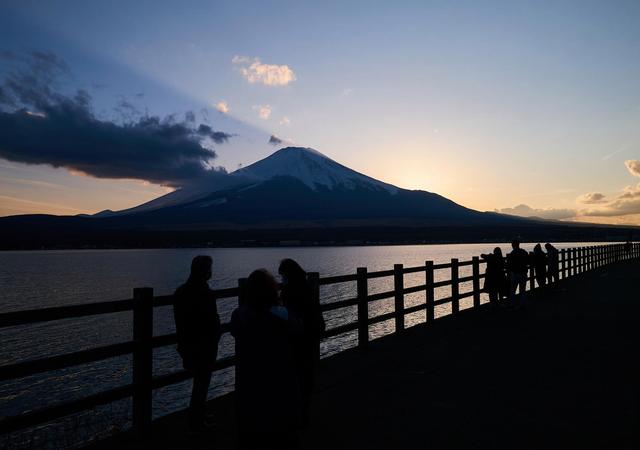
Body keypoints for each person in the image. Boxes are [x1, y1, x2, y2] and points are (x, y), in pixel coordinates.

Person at [231, 269, 302, 449]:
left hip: (248, 378)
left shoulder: (239, 314)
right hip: (278, 377)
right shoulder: (283, 314)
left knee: (250, 427)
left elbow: (235, 332)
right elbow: (297, 330)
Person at [173, 255, 221, 432]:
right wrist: (215, 338)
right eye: (209, 268)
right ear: (205, 271)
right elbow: (212, 322)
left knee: (199, 382)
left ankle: (198, 415)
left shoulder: (180, 292)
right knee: (202, 384)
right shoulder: (206, 293)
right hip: (204, 347)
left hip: (187, 346)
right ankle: (196, 421)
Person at [278, 258, 326, 426]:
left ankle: (295, 411)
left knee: (296, 373)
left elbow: (288, 314)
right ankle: (304, 410)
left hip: (297, 337)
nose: (281, 278)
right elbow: (316, 310)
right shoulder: (307, 287)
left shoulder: (288, 290)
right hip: (311, 334)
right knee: (307, 372)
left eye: (282, 275)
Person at [506, 239, 529, 307]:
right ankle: (522, 304)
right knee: (522, 290)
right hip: (523, 273)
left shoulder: (512, 253)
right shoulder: (524, 252)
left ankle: (513, 304)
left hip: (515, 273)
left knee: (513, 290)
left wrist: (508, 273)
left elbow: (509, 264)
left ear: (513, 245)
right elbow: (527, 261)